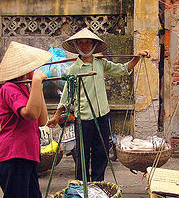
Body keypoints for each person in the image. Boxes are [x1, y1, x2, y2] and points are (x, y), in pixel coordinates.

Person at [0, 41, 67, 198]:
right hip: (12, 155)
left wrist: (37, 87)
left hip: (27, 154)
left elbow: (43, 119)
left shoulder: (26, 88)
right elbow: (29, 114)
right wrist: (36, 82)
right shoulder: (9, 89)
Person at [47, 28, 150, 182]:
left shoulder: (100, 63)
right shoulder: (73, 69)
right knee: (82, 155)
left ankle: (98, 184)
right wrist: (56, 116)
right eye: (80, 43)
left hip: (102, 116)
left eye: (88, 42)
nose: (84, 46)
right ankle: (82, 187)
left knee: (101, 152)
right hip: (84, 119)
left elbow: (122, 69)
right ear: (76, 46)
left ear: (94, 44)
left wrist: (137, 57)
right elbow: (66, 97)